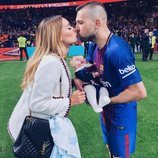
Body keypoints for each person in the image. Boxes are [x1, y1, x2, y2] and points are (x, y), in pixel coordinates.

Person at [75, 2, 147, 158]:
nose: (76, 27)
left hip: (121, 116)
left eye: (80, 22)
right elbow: (94, 69)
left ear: (97, 23)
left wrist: (107, 100)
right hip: (106, 112)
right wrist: (80, 73)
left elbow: (139, 92)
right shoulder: (93, 46)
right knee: (111, 150)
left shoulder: (117, 51)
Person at [8, 15, 86, 158]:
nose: (74, 29)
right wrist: (71, 101)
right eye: (69, 27)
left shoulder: (55, 58)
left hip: (43, 126)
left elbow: (54, 86)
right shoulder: (51, 62)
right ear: (56, 35)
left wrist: (74, 83)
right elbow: (37, 103)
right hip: (39, 132)